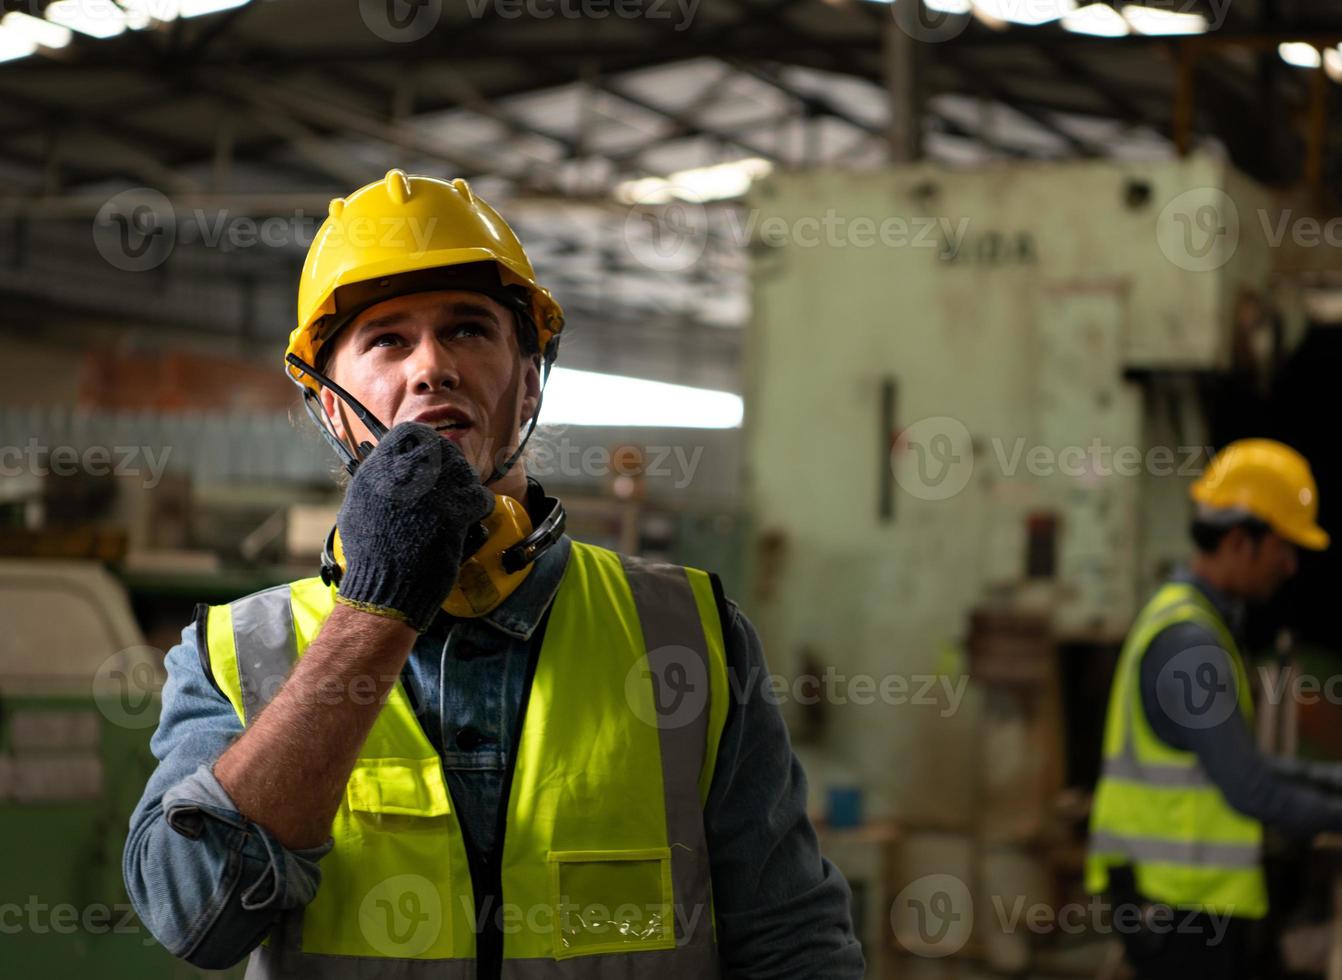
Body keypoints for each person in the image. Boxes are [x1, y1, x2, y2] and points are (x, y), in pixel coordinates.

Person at [123, 170, 864, 979]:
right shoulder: (235, 655)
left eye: (469, 330)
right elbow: (195, 916)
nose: (431, 367)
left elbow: (793, 945)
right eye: (387, 340)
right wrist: (375, 610)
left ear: (529, 385)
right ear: (333, 407)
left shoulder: (691, 632)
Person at [1085, 438, 1342, 979]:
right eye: (1284, 546)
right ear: (1241, 540)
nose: (1289, 565)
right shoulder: (1191, 646)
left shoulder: (1191, 625)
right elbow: (1251, 790)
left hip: (1179, 899)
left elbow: (1238, 767)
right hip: (1177, 908)